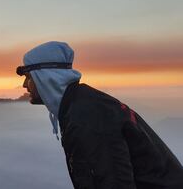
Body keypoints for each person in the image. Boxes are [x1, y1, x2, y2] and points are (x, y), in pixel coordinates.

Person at [16, 41, 183, 188]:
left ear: (47, 78)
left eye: (29, 77)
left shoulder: (86, 119)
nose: (24, 85)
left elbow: (112, 183)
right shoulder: (84, 104)